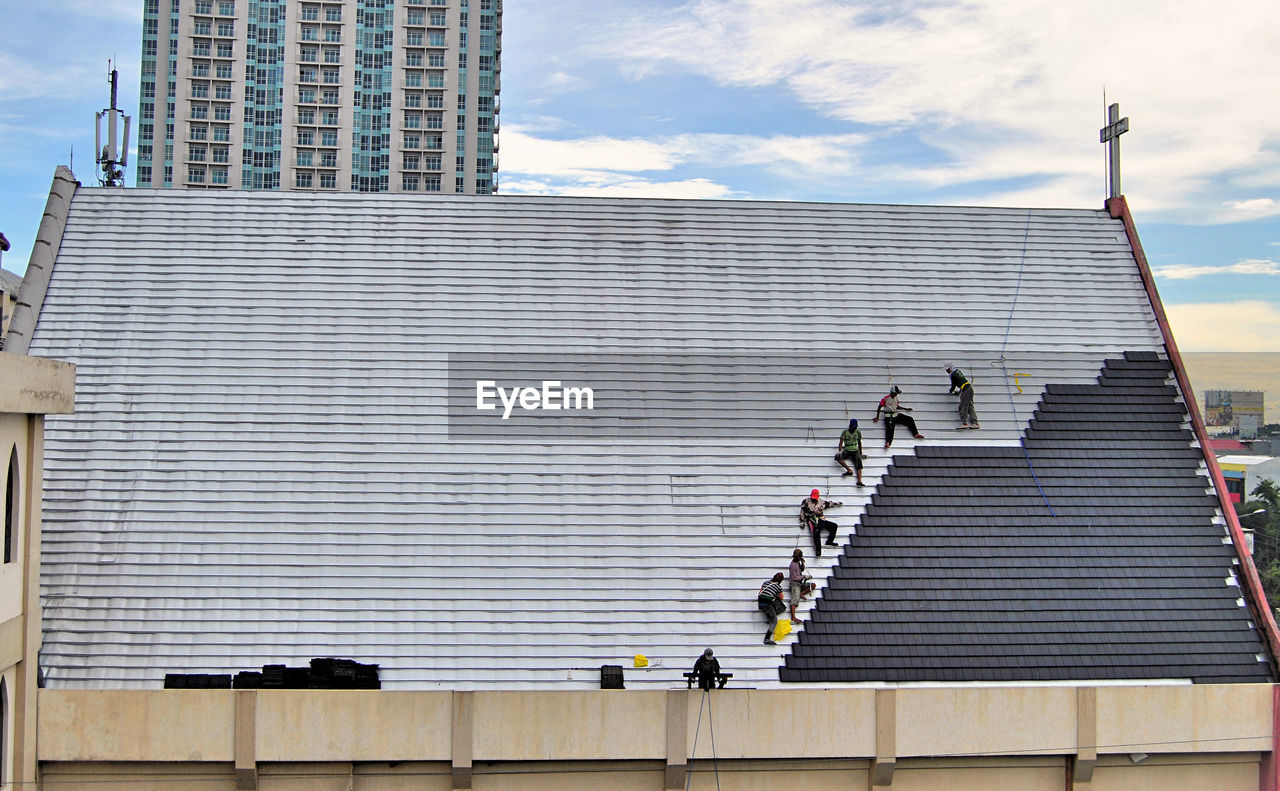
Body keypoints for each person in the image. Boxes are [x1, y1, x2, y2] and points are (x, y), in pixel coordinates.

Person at [800, 488, 842, 556]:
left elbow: (828, 504)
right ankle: (818, 550)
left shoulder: (821, 502)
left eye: (815, 498)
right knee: (816, 533)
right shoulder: (806, 502)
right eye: (813, 498)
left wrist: (837, 503)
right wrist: (802, 521)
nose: (814, 500)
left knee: (834, 526)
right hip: (812, 519)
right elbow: (802, 511)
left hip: (821, 519)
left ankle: (830, 541)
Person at [946, 364, 980, 429]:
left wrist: (951, 391)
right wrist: (959, 392)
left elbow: (953, 385)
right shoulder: (957, 371)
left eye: (948, 370)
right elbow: (961, 381)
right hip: (969, 388)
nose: (948, 372)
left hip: (966, 390)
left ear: (950, 369)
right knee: (970, 405)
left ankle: (964, 423)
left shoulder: (953, 375)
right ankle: (975, 422)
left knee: (963, 406)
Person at [787, 548, 816, 623]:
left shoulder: (798, 562)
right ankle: (793, 617)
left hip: (800, 583)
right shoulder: (792, 565)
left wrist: (802, 563)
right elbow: (794, 578)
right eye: (800, 557)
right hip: (794, 584)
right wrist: (804, 577)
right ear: (796, 557)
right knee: (794, 599)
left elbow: (802, 570)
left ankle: (801, 593)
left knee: (812, 585)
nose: (800, 558)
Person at [834, 418, 865, 485]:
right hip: (847, 449)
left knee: (859, 464)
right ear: (850, 426)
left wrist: (861, 452)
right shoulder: (845, 432)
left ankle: (859, 481)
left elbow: (859, 442)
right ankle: (849, 470)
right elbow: (841, 442)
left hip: (855, 449)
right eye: (853, 427)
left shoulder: (858, 432)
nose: (854, 429)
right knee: (838, 458)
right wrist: (840, 451)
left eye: (855, 427)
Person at [757, 573, 785, 645]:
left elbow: (760, 592)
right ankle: (767, 638)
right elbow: (782, 597)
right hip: (767, 603)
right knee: (775, 621)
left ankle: (769, 616)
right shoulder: (778, 586)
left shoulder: (766, 582)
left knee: (769, 610)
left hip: (760, 602)